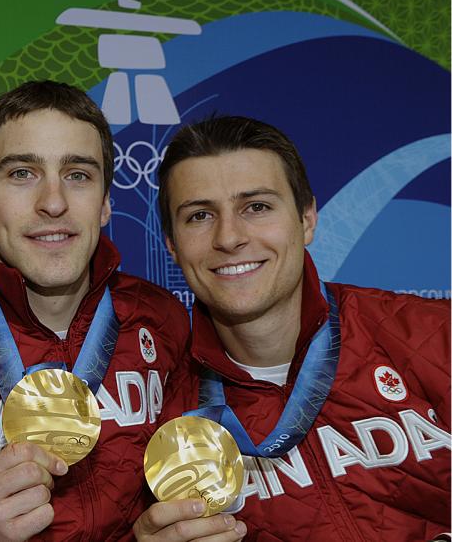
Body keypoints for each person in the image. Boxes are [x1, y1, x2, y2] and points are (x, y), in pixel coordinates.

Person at [0, 80, 193, 541]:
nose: (53, 202)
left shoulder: (165, 320)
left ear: (105, 202)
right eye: (22, 173)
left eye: (78, 175)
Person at [133, 115, 451, 541]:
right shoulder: (165, 421)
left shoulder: (433, 335)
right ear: (172, 245)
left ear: (307, 219)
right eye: (199, 216)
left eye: (257, 207)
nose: (229, 237)